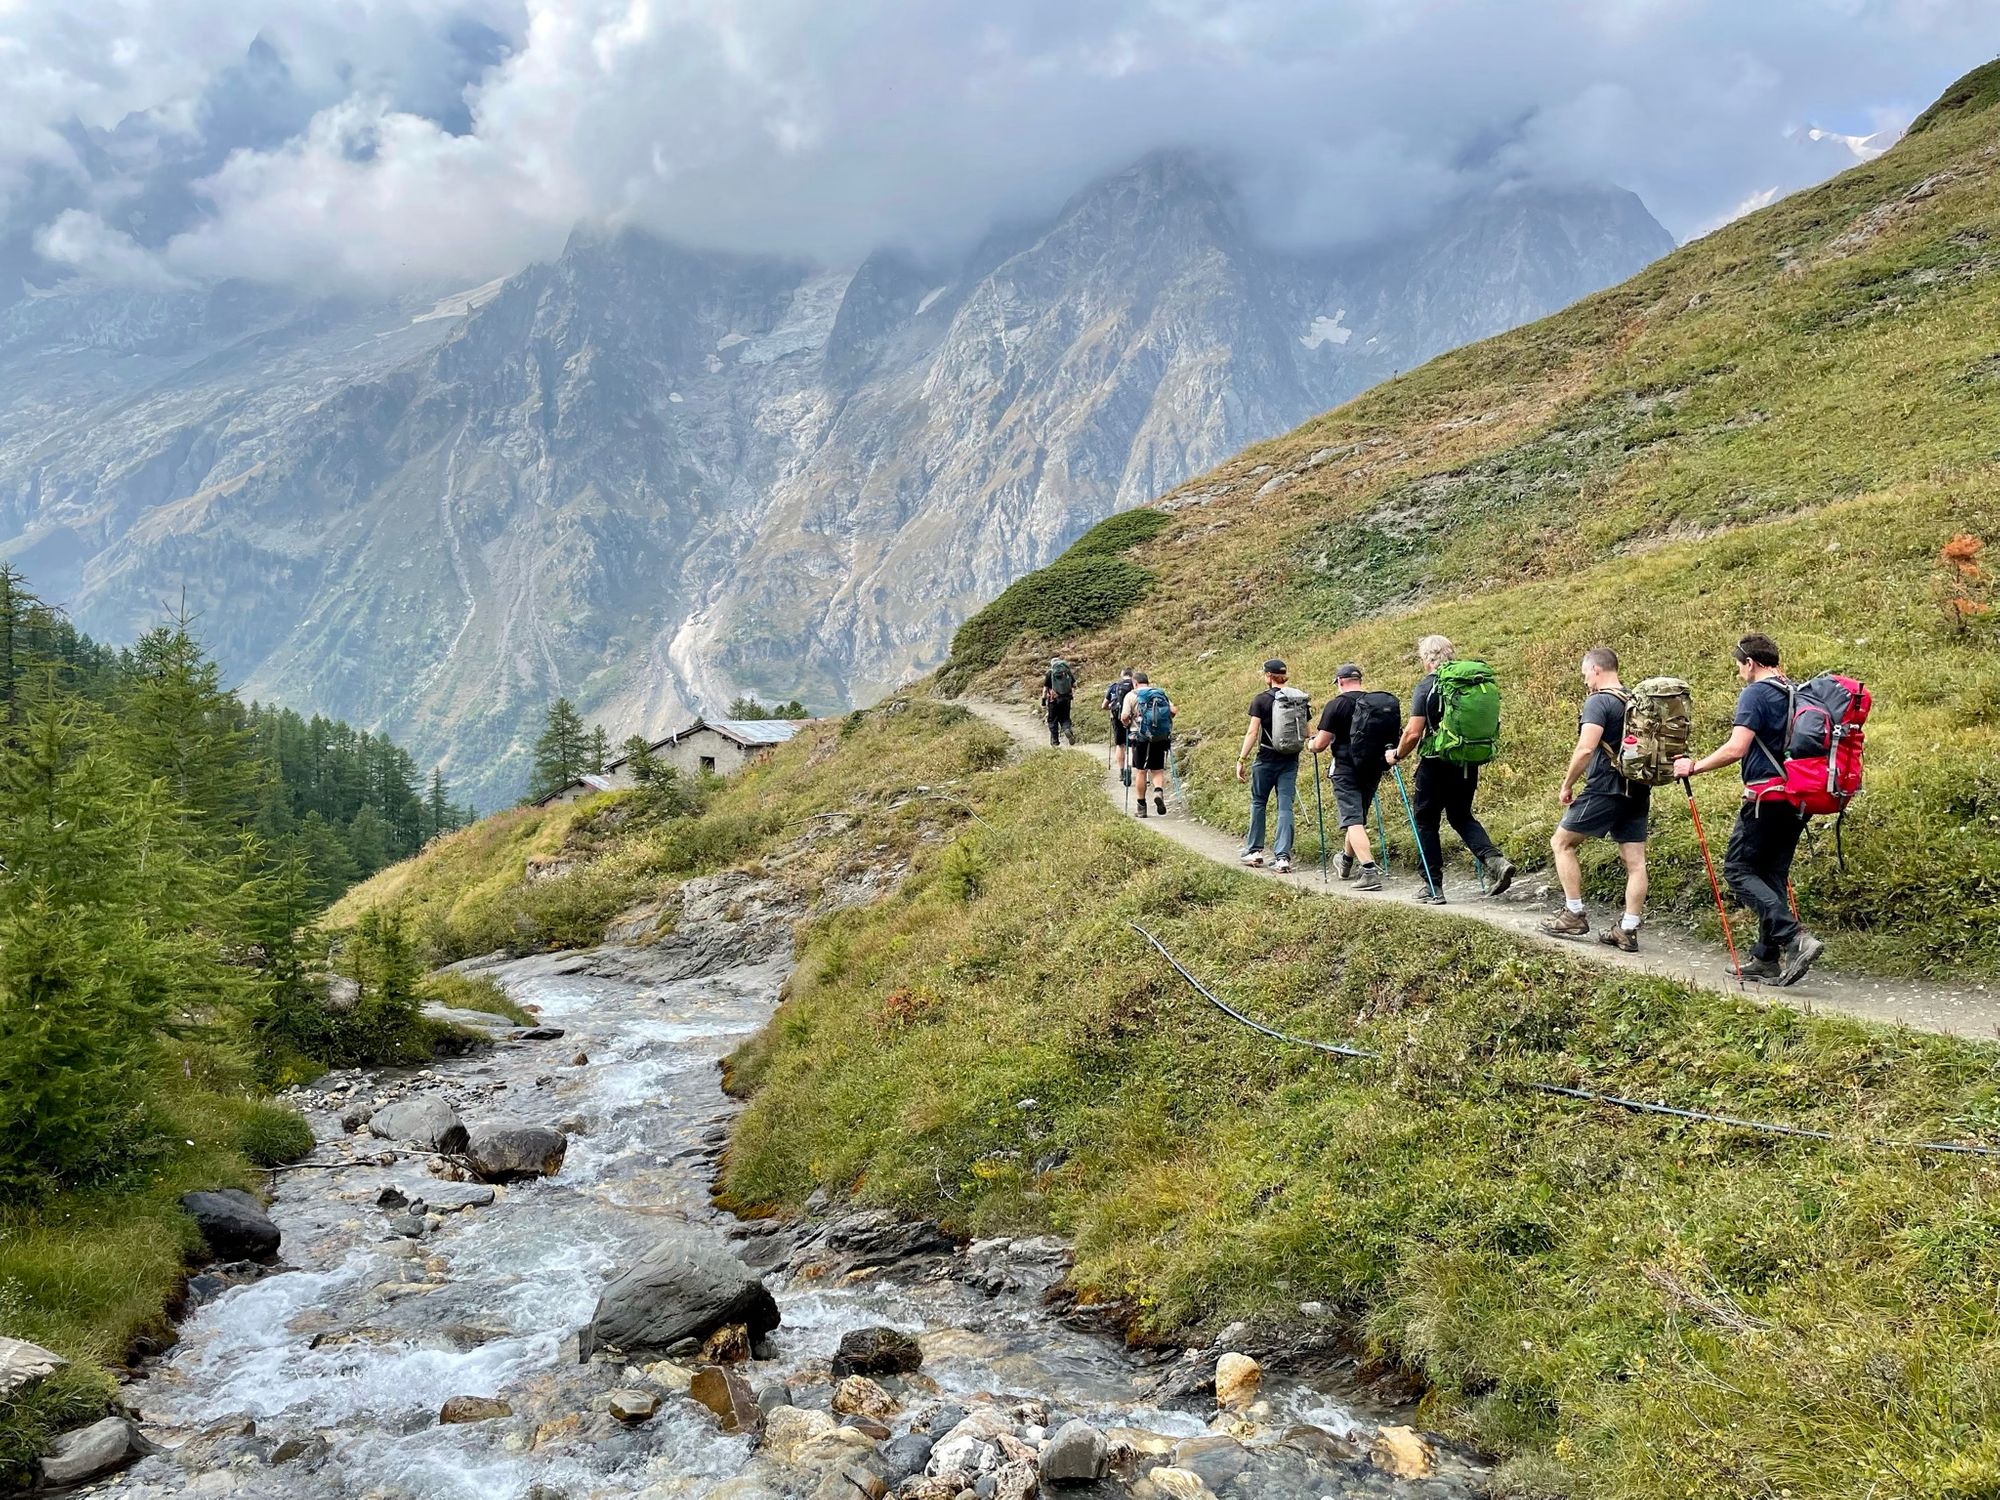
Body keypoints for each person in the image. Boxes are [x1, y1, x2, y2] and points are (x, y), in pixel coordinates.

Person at [1673, 633, 1824, 987]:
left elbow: (1736, 748)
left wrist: (1693, 766)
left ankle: (1794, 938)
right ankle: (1765, 958)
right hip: (1799, 797)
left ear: (1751, 663)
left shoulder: (1756, 693)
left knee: (1738, 870)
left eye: (1739, 666)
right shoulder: (1796, 691)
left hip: (1766, 798)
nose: (1739, 672)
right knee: (1771, 876)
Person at [1386, 634, 1517, 903]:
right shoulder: (1468, 682)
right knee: (1461, 816)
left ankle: (1433, 886)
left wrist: (1396, 755)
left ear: (1427, 659)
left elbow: (1412, 733)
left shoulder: (1428, 686)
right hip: (1467, 761)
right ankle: (1495, 861)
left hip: (1436, 763)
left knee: (1426, 821)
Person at [1540, 646, 1649, 950]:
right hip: (1638, 788)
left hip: (1605, 787)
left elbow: (1586, 748)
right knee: (1636, 862)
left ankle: (1573, 913)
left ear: (1597, 670)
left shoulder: (1599, 702)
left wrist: (1567, 784)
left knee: (1561, 843)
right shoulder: (1634, 700)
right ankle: (1627, 929)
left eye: (1585, 673)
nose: (1585, 679)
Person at [1306, 662, 1392, 891]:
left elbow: (1321, 744)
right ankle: (1345, 861)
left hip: (1345, 769)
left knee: (1353, 821)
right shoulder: (1373, 703)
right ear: (1359, 680)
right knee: (1358, 819)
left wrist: (1310, 745)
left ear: (1340, 682)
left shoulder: (1337, 705)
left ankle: (1369, 871)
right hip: (1372, 767)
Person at [1236, 658, 1304, 873]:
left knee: (1259, 802)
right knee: (1285, 806)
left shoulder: (1261, 700)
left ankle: (1254, 851)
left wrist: (1241, 759)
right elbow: (1306, 731)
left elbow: (1252, 732)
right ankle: (1283, 857)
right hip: (1290, 760)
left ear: (1268, 676)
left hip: (1265, 758)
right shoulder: (1298, 698)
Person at [1121, 671, 1174, 818]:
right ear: (1147, 682)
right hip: (1159, 737)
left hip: (1140, 737)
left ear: (1135, 683)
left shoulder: (1131, 695)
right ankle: (1158, 791)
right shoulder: (1159, 693)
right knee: (1157, 770)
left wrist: (1127, 723)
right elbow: (1173, 711)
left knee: (1141, 771)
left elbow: (1124, 716)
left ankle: (1141, 808)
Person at [1103, 667, 1136, 784]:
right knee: (1132, 745)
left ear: (1122, 675)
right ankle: (1131, 768)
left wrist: (1112, 709)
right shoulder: (1135, 686)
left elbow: (1104, 705)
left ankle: (1122, 772)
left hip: (1116, 718)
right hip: (1132, 719)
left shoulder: (1114, 686)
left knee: (1120, 744)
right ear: (1132, 675)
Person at [1041, 657, 1076, 747]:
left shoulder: (1050, 673)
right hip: (1066, 699)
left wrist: (1043, 701)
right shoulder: (1067, 672)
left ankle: (1055, 741)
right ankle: (1067, 729)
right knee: (1065, 718)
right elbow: (1073, 685)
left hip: (1053, 700)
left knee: (1053, 720)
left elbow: (1045, 689)